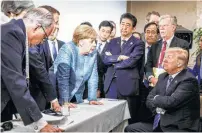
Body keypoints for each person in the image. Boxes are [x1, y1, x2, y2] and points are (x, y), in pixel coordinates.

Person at [1, 8, 62, 132]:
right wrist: (40, 124)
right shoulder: (12, 34)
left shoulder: (17, 33)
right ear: (37, 27)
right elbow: (15, 81)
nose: (41, 42)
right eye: (44, 37)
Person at [125, 47, 200, 132]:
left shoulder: (188, 80)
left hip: (178, 127)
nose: (164, 60)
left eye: (169, 57)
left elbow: (171, 102)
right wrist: (158, 109)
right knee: (130, 129)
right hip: (160, 122)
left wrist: (156, 98)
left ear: (179, 63)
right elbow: (149, 99)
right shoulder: (163, 76)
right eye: (164, 57)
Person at [104, 13, 144, 124]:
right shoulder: (112, 41)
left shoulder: (138, 43)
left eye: (128, 25)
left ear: (133, 28)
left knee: (127, 120)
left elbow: (132, 61)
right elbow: (105, 59)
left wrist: (113, 63)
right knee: (109, 120)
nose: (124, 27)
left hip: (128, 86)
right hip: (111, 85)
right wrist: (119, 57)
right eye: (122, 24)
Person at [53, 25, 103, 107]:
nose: (94, 44)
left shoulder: (93, 52)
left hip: (77, 96)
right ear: (81, 42)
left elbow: (93, 77)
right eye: (91, 41)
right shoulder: (67, 49)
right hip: (60, 95)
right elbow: (63, 78)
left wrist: (92, 98)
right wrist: (65, 101)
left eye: (95, 41)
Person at [29, 5, 63, 111]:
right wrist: (53, 99)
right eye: (55, 22)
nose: (57, 26)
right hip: (31, 99)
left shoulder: (45, 41)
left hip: (43, 98)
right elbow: (39, 70)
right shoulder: (33, 41)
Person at [145, 15, 190, 87]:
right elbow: (148, 66)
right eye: (160, 26)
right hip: (154, 85)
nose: (161, 28)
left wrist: (165, 79)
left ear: (173, 27)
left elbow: (182, 66)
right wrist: (151, 78)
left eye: (165, 25)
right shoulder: (154, 45)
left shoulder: (182, 44)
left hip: (172, 85)